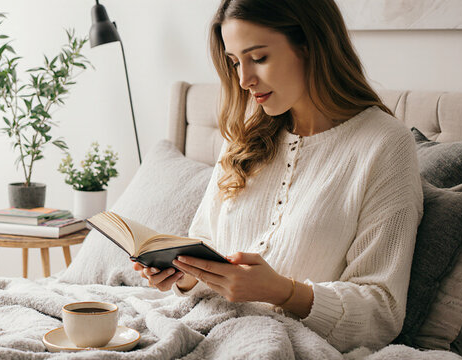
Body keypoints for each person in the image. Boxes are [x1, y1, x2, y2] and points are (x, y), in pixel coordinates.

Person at [132, 0, 423, 352]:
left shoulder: (384, 145)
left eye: (259, 58)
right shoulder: (244, 136)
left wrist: (282, 291)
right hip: (200, 325)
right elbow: (206, 241)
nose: (243, 80)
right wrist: (184, 273)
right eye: (235, 62)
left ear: (311, 45)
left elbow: (382, 312)